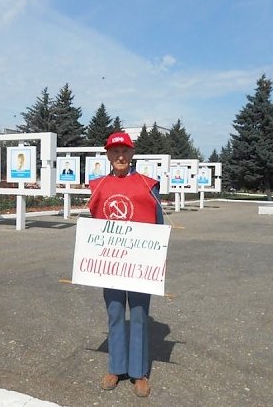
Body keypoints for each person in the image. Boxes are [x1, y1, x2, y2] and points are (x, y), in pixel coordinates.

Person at [88, 132, 164, 398]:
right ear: (108, 155)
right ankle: (115, 367)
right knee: (115, 312)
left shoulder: (147, 184)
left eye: (125, 151)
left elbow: (159, 222)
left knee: (140, 316)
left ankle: (138, 373)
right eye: (114, 151)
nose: (120, 156)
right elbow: (93, 226)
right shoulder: (97, 186)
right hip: (110, 264)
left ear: (132, 154)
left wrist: (157, 258)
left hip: (140, 265)